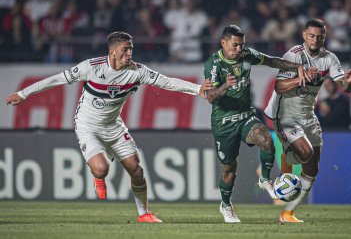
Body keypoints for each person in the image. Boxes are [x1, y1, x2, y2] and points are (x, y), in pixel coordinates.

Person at [6, 31, 213, 223]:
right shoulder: (92, 67)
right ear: (112, 51)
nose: (130, 53)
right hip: (87, 125)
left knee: (136, 169)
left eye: (131, 49)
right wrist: (23, 94)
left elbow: (166, 82)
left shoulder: (137, 71)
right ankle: (98, 177)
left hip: (113, 126)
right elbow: (56, 79)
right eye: (125, 49)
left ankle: (144, 214)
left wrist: (197, 89)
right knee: (101, 169)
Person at [203, 24, 313, 223]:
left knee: (266, 140)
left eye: (241, 45)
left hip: (245, 115)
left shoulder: (246, 55)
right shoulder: (213, 64)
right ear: (223, 43)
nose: (239, 49)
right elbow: (210, 97)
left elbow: (271, 61)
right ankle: (226, 206)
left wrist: (296, 66)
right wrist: (225, 87)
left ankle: (265, 180)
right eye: (235, 45)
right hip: (224, 123)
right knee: (229, 171)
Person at [264, 19, 351, 223]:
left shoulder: (329, 58)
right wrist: (302, 78)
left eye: (320, 36)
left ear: (324, 37)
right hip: (286, 116)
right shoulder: (294, 55)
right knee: (305, 152)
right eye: (312, 35)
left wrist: (348, 84)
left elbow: (344, 86)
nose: (316, 40)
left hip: (308, 116)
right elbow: (279, 87)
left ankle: (287, 213)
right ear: (304, 35)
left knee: (312, 169)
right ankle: (286, 158)